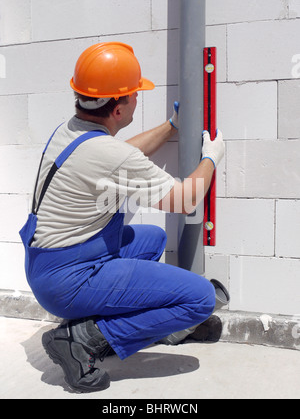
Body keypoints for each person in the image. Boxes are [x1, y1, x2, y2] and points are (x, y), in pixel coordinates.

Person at [19, 42, 225, 393]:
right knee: (201, 299)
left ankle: (96, 320)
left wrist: (171, 126)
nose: (136, 99)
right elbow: (185, 199)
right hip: (69, 279)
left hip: (48, 265)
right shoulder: (108, 153)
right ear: (118, 108)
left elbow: (124, 153)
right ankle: (83, 339)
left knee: (153, 239)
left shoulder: (71, 130)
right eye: (133, 94)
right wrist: (212, 156)